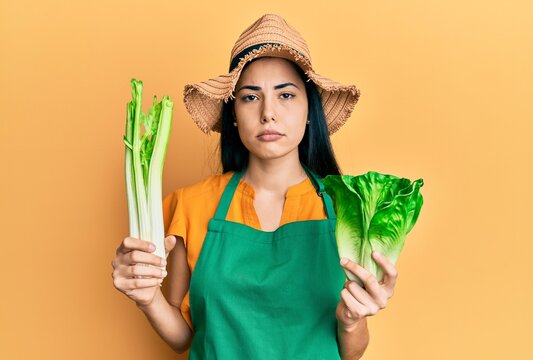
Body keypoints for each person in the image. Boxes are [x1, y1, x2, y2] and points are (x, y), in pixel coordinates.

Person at [111, 13, 398, 359]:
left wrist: (352, 320)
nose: (268, 113)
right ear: (233, 113)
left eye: (286, 95)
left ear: (310, 110)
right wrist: (148, 298)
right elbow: (182, 336)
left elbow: (350, 353)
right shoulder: (192, 205)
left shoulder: (346, 208)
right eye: (250, 97)